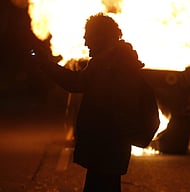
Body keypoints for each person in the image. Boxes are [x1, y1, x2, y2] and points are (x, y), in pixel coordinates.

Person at [34, 13, 153, 192]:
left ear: (101, 37)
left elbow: (76, 83)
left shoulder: (108, 65)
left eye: (88, 36)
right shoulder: (117, 61)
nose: (85, 43)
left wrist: (45, 64)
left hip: (106, 147)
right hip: (112, 148)